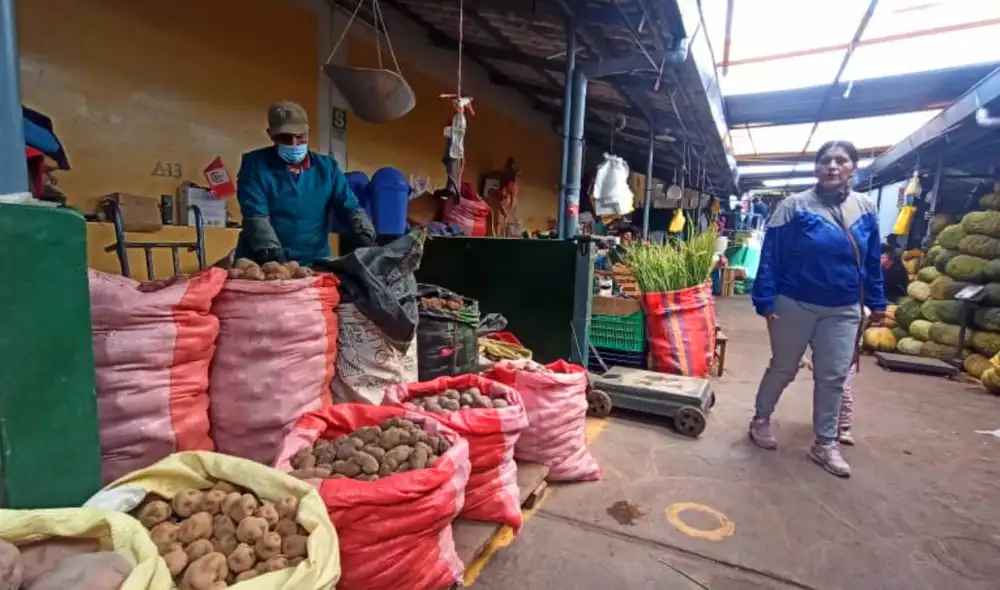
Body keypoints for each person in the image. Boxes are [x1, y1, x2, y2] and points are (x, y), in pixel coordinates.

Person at [749, 139, 886, 478]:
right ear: (816, 168)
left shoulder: (866, 209)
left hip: (844, 307)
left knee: (834, 377)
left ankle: (826, 443)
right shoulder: (793, 206)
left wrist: (878, 301)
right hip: (794, 302)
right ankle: (760, 419)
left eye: (841, 161)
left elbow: (871, 261)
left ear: (853, 168)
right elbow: (771, 257)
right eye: (826, 161)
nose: (832, 167)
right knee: (783, 366)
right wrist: (764, 299)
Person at [234, 101, 376, 265]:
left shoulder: (327, 168)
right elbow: (256, 216)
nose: (294, 143)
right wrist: (274, 258)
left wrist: (366, 239)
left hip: (314, 260)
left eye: (300, 136)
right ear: (270, 134)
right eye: (285, 138)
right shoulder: (255, 165)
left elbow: (350, 207)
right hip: (262, 261)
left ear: (308, 132)